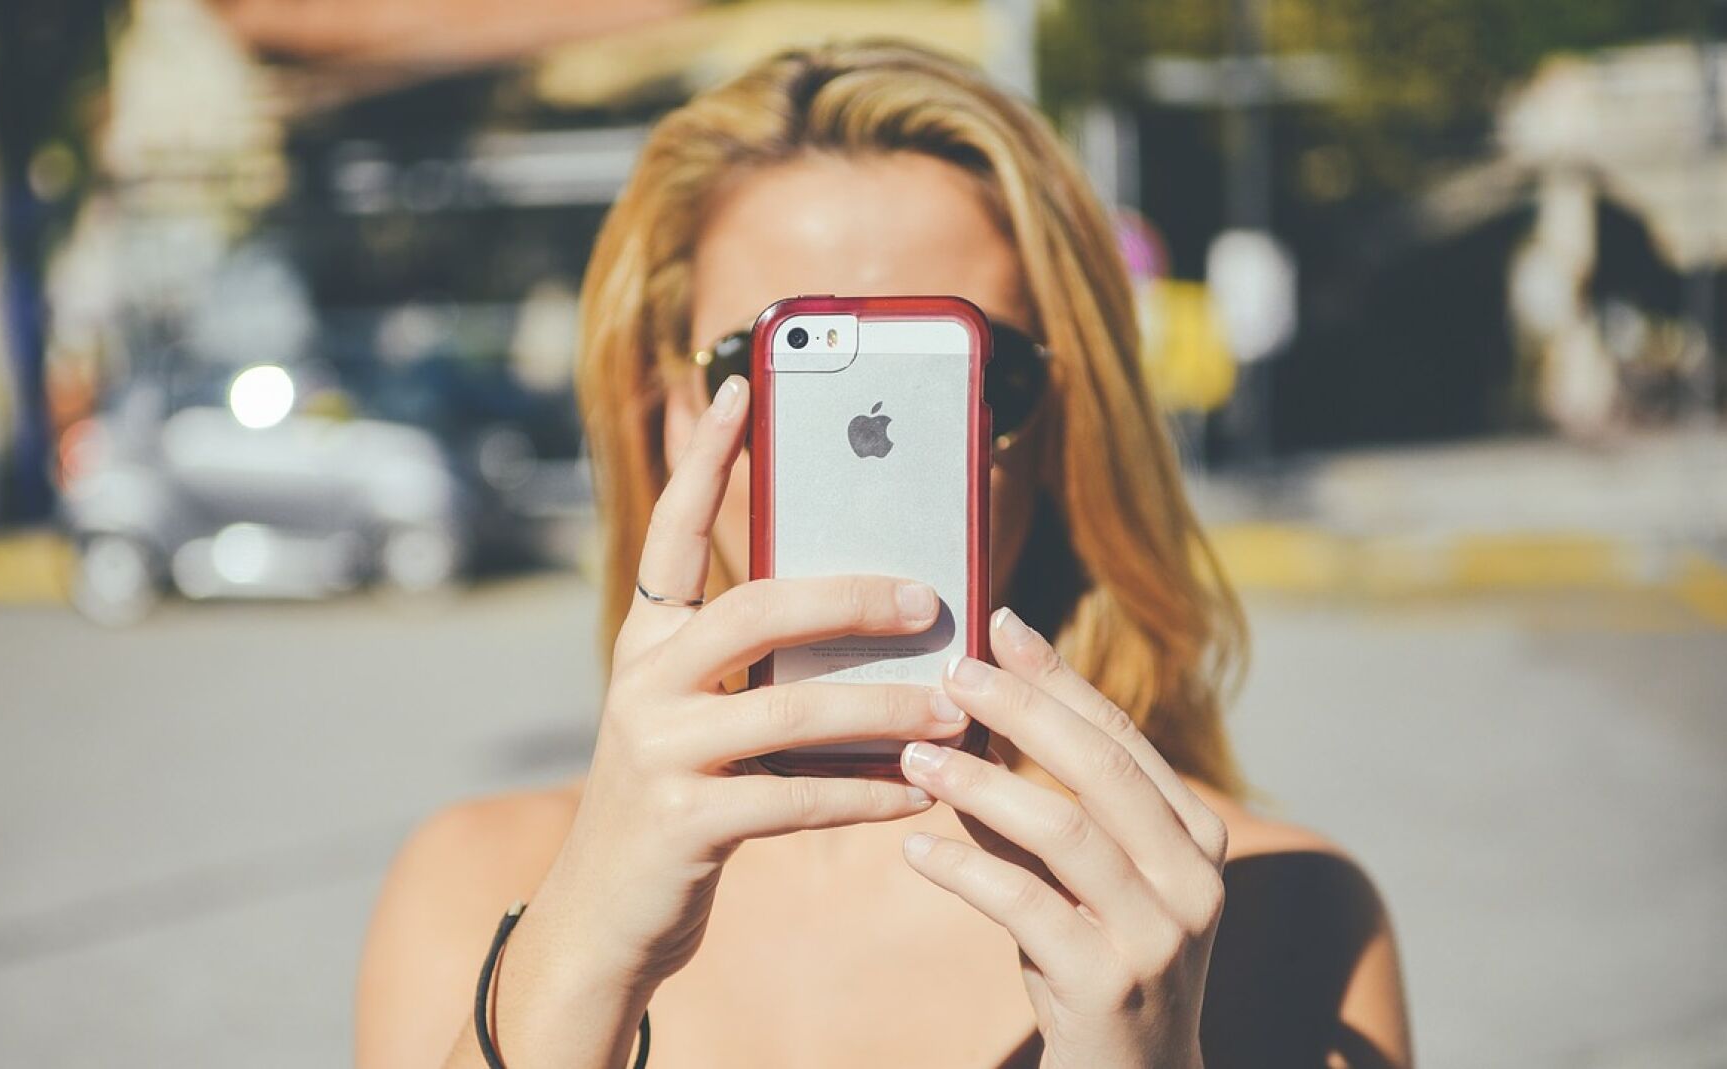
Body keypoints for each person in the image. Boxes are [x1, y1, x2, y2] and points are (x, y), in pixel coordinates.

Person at [357, 40, 1410, 1069]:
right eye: (777, 368)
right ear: (668, 413)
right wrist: (575, 972)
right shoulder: (475, 884)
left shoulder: (1268, 913)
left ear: (1065, 426)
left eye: (960, 375)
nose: (870, 451)